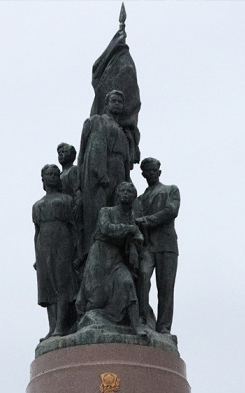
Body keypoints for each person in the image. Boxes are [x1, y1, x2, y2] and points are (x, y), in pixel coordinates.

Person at [75, 181, 148, 335]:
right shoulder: (106, 211)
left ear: (134, 197)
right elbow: (106, 228)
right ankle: (88, 321)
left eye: (129, 192)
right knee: (96, 299)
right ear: (117, 194)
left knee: (127, 282)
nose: (125, 194)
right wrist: (130, 229)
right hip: (99, 256)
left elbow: (137, 237)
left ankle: (136, 326)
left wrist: (135, 241)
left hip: (116, 258)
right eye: (122, 191)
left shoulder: (131, 217)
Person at [77, 88, 134, 258]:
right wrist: (100, 172)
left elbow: (126, 160)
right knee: (98, 212)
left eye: (120, 102)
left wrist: (126, 178)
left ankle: (117, 250)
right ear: (106, 104)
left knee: (117, 211)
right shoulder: (99, 121)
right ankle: (92, 251)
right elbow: (96, 146)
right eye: (113, 101)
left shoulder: (122, 131)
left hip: (119, 172)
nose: (117, 104)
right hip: (102, 173)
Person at [134, 157, 180, 333]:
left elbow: (171, 211)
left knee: (165, 288)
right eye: (148, 171)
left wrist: (147, 220)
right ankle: (143, 318)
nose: (152, 173)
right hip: (147, 246)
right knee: (143, 276)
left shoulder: (170, 190)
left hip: (166, 245)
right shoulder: (139, 200)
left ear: (159, 172)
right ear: (143, 174)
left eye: (154, 171)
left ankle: (164, 327)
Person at [34, 164, 79, 339]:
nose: (52, 177)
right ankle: (52, 327)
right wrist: (37, 256)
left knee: (62, 283)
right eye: (49, 174)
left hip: (62, 241)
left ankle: (61, 325)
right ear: (43, 179)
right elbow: (36, 232)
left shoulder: (66, 200)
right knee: (47, 287)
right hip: (44, 246)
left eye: (55, 174)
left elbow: (73, 227)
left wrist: (75, 249)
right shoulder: (37, 205)